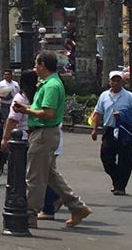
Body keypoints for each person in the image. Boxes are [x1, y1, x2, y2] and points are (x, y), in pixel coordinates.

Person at [20, 52, 91, 228]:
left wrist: (26, 111)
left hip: (43, 133)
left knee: (35, 176)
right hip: (45, 133)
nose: (35, 68)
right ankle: (76, 206)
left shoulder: (51, 85)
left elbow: (48, 113)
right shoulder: (48, 83)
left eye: (36, 64)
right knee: (50, 175)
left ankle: (29, 215)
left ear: (42, 64)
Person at [91, 71, 132, 195]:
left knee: (125, 159)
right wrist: (95, 130)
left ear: (122, 82)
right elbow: (98, 113)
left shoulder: (129, 96)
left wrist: (123, 114)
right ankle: (116, 178)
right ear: (109, 82)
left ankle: (120, 186)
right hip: (109, 130)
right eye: (113, 80)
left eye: (118, 80)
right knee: (106, 158)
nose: (115, 83)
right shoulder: (104, 96)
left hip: (124, 131)